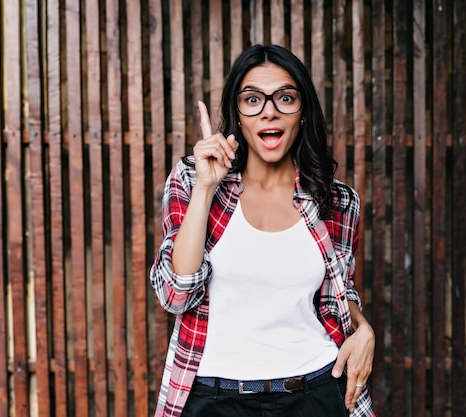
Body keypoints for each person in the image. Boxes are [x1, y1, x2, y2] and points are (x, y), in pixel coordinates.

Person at [150, 44, 376, 417]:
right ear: (237, 114)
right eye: (253, 99)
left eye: (285, 97)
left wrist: (363, 327)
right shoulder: (193, 180)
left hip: (314, 392)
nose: (269, 110)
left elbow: (339, 292)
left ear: (303, 112)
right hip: (213, 399)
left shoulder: (337, 200)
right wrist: (206, 188)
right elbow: (176, 295)